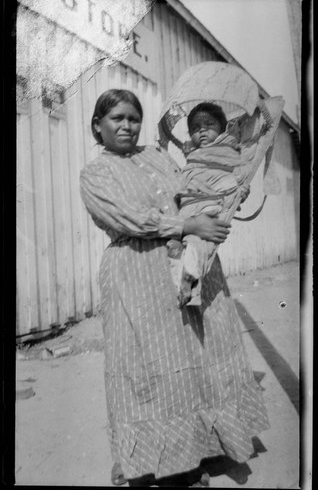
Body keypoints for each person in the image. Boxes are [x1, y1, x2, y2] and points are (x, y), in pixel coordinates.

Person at [80, 89, 270, 487]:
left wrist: (225, 192)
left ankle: (196, 450)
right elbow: (128, 219)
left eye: (133, 117)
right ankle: (147, 460)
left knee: (197, 354)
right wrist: (187, 226)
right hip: (135, 273)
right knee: (148, 366)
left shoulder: (159, 156)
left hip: (183, 263)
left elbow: (191, 192)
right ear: (98, 126)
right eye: (117, 118)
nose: (127, 125)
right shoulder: (95, 174)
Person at [167, 102, 251, 307]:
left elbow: (234, 181)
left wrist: (242, 193)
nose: (201, 130)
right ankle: (187, 286)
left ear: (222, 129)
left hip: (211, 206)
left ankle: (189, 281)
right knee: (177, 243)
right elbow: (187, 179)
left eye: (208, 124)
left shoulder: (228, 150)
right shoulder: (193, 156)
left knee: (198, 242)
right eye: (195, 128)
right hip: (189, 206)